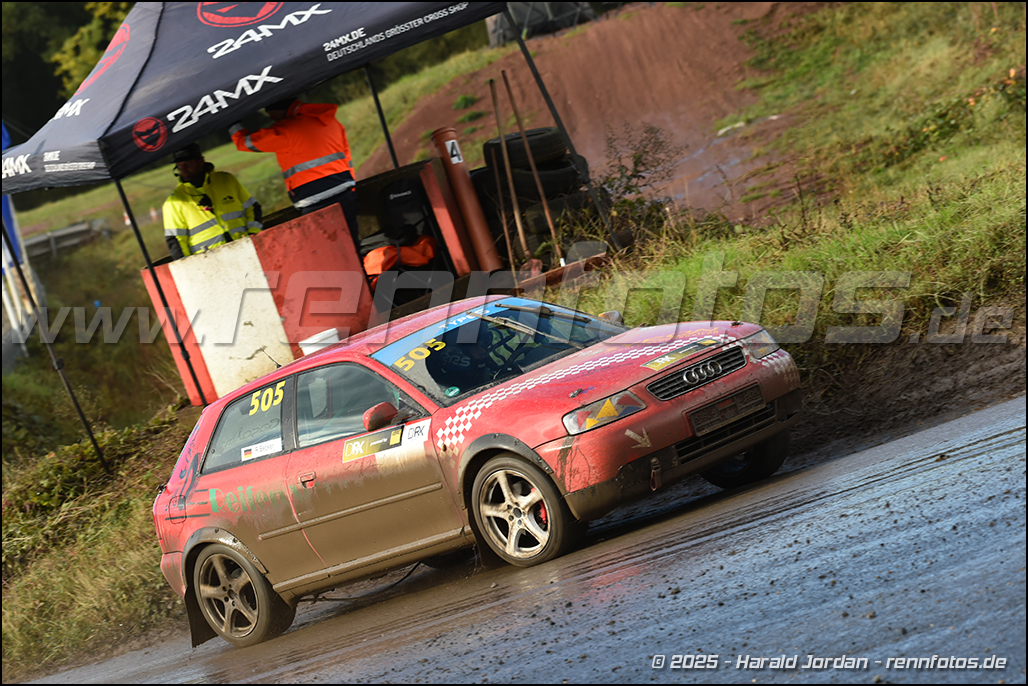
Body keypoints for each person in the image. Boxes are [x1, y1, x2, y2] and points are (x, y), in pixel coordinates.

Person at [230, 97, 360, 248]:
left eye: (271, 113)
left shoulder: (286, 130)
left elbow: (245, 142)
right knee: (352, 244)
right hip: (346, 193)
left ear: (281, 109)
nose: (271, 119)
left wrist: (232, 121)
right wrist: (352, 186)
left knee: (329, 251)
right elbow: (347, 157)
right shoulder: (329, 121)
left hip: (315, 202)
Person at [163, 143, 262, 260]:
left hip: (246, 250)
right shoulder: (173, 202)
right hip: (208, 263)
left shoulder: (227, 180)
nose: (183, 169)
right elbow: (176, 242)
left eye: (187, 164)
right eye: (180, 166)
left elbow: (253, 208)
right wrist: (190, 266)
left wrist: (252, 235)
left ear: (201, 161)